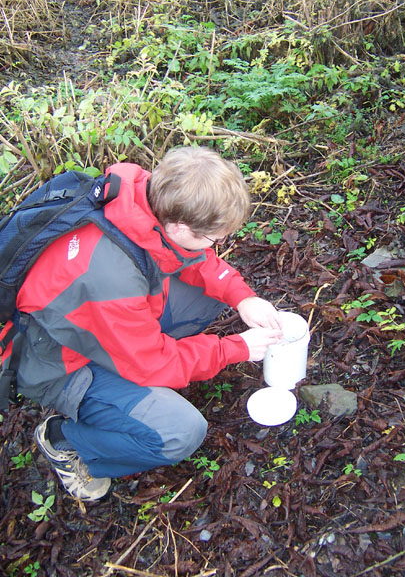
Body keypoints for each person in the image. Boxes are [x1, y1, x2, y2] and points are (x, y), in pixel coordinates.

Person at [2, 146, 282, 501]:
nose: (220, 244)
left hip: (106, 322)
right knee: (181, 432)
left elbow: (189, 256)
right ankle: (64, 440)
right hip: (61, 364)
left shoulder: (142, 199)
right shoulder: (111, 281)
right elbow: (153, 365)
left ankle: (134, 376)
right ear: (179, 226)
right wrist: (236, 348)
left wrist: (243, 297)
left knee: (215, 293)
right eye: (216, 238)